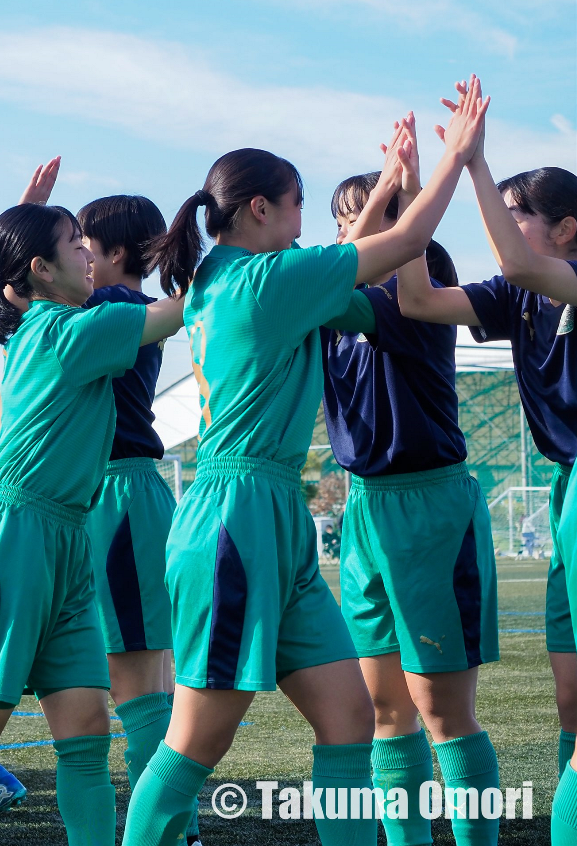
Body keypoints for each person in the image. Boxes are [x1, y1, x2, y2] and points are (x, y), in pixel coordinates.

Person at [120, 76, 488, 846]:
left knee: (350, 719)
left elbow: (368, 266)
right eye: (296, 205)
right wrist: (455, 159)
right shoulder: (268, 279)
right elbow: (405, 243)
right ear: (260, 210)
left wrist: (391, 180)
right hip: (234, 520)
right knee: (196, 740)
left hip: (273, 517)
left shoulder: (232, 275)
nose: (303, 222)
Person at [0, 187, 184, 846]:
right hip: (13, 547)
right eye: (74, 244)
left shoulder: (61, 319)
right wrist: (242, 264)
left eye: (87, 240)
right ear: (42, 271)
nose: (87, 253)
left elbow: (11, 285)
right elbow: (182, 312)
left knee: (84, 739)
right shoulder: (65, 330)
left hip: (69, 546)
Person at [394, 105, 576, 842]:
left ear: (566, 228)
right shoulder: (519, 293)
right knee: (571, 704)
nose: (504, 225)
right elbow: (416, 300)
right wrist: (408, 202)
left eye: (516, 213)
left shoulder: (555, 274)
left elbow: (520, 262)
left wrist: (471, 162)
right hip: (566, 487)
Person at [322, 130, 500, 846]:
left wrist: (424, 187)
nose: (344, 236)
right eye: (338, 222)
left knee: (441, 711)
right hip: (365, 509)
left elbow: (360, 275)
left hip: (430, 509)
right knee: (384, 711)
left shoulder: (410, 290)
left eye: (356, 219)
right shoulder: (327, 304)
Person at [20, 160, 204, 846]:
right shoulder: (121, 310)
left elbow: (17, 301)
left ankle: (170, 828)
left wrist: (26, 222)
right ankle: (175, 825)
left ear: (117, 254)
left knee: (137, 686)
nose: (76, 257)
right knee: (151, 679)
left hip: (115, 498)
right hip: (134, 496)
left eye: (82, 245)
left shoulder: (109, 309)